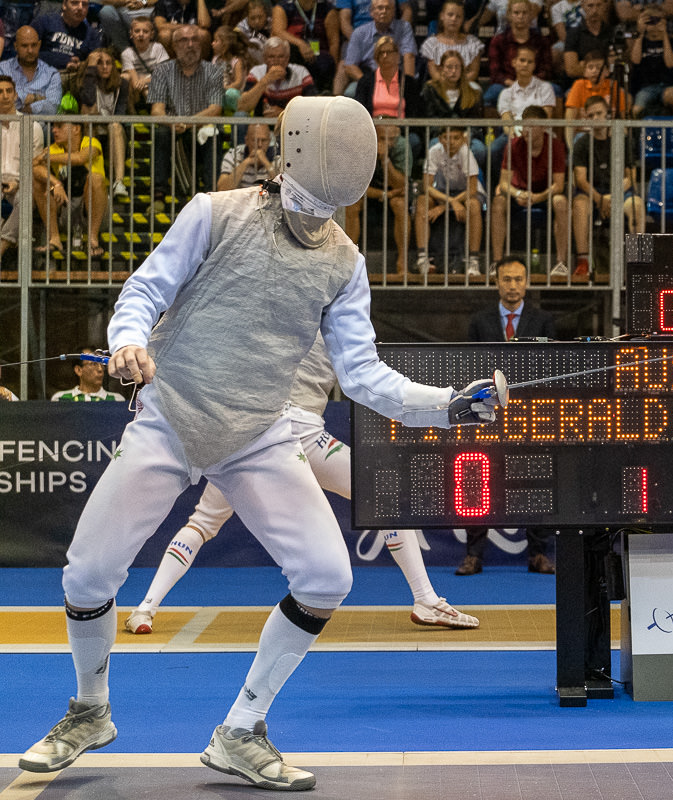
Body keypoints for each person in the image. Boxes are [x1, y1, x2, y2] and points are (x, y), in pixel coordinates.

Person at [16, 95, 500, 790]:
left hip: (259, 432)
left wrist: (447, 406)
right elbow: (144, 292)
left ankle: (241, 729)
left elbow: (363, 376)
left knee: (328, 577)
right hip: (170, 417)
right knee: (87, 574)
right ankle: (89, 711)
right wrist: (126, 343)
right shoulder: (216, 213)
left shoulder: (344, 260)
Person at [124, 336, 480, 635]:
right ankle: (426, 600)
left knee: (202, 523)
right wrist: (445, 400)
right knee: (379, 496)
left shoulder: (276, 311)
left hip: (249, 436)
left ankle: (145, 608)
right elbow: (372, 381)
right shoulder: (335, 316)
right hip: (299, 432)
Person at [458, 253, 556, 576]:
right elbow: (469, 369)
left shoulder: (544, 322)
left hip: (530, 415)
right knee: (476, 483)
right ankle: (474, 555)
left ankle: (538, 554)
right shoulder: (478, 321)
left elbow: (550, 370)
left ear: (527, 283)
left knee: (536, 482)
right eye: (506, 279)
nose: (512, 286)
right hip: (487, 415)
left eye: (518, 279)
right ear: (496, 282)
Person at [570, 95, 644, 279]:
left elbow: (631, 177)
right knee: (579, 205)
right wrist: (600, 199)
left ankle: (639, 263)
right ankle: (583, 262)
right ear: (586, 118)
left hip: (619, 192)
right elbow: (580, 179)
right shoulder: (582, 143)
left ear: (608, 114)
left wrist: (612, 197)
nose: (596, 118)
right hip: (592, 193)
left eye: (599, 113)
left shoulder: (622, 139)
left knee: (637, 206)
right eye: (591, 115)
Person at [148, 24, 225, 202]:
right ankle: (158, 194)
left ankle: (210, 195)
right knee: (160, 132)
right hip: (173, 129)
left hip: (200, 127)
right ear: (174, 46)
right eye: (184, 40)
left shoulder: (213, 71)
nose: (190, 45)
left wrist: (188, 123)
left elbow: (215, 109)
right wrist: (173, 123)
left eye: (195, 40)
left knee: (213, 134)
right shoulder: (161, 71)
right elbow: (156, 111)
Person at [490, 105, 570, 276]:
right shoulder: (513, 145)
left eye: (532, 126)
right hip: (519, 193)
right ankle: (497, 263)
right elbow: (503, 183)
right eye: (525, 125)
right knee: (498, 203)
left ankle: (561, 264)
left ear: (543, 127)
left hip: (546, 193)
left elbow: (559, 185)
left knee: (561, 201)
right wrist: (518, 194)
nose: (527, 130)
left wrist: (537, 197)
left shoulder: (555, 146)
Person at [413, 125, 485, 276]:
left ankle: (473, 261)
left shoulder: (466, 153)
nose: (451, 142)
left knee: (473, 205)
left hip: (465, 193)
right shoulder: (434, 151)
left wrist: (444, 206)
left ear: (463, 140)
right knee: (422, 201)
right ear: (440, 139)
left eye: (456, 138)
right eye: (447, 137)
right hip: (443, 193)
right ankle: (422, 258)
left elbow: (472, 188)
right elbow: (427, 186)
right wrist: (450, 202)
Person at [31, 119, 109, 260]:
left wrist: (47, 157)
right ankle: (54, 238)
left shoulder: (91, 143)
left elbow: (80, 158)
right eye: (54, 126)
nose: (54, 130)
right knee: (41, 183)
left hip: (96, 211)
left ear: (76, 129)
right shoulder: (55, 148)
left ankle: (92, 240)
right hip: (66, 207)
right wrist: (56, 183)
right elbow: (34, 166)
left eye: (59, 126)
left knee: (96, 179)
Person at [344, 121, 411, 272]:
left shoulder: (401, 146)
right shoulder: (361, 146)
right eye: (382, 139)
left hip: (394, 194)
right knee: (351, 204)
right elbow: (356, 185)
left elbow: (401, 184)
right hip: (369, 193)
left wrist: (385, 160)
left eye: (392, 139)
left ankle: (402, 261)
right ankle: (349, 262)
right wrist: (384, 194)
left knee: (400, 204)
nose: (388, 143)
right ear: (373, 135)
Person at [490, 45, 557, 185]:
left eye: (530, 61)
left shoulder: (545, 88)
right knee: (494, 149)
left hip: (540, 132)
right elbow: (507, 121)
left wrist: (531, 133)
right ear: (514, 62)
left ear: (534, 65)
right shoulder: (506, 94)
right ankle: (501, 188)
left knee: (554, 146)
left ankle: (548, 187)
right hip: (515, 134)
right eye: (522, 60)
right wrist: (517, 135)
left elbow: (546, 116)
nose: (525, 64)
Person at [74, 48, 130, 203]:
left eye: (108, 63)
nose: (105, 67)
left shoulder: (121, 84)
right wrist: (90, 70)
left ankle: (118, 182)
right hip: (90, 130)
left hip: (113, 133)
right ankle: (94, 179)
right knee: (88, 112)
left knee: (115, 126)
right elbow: (89, 100)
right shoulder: (83, 82)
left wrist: (102, 119)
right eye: (99, 63)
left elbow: (120, 114)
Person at [334, 0, 417, 98]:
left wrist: (408, 85)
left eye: (388, 8)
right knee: (350, 88)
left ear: (394, 12)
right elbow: (350, 66)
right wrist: (371, 84)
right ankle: (334, 102)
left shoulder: (404, 27)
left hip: (395, 76)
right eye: (380, 8)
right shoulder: (359, 33)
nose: (384, 11)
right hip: (368, 76)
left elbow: (409, 57)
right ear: (371, 12)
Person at [418, 50, 486, 168]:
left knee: (479, 149)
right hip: (440, 136)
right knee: (434, 146)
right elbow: (429, 119)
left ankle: (471, 181)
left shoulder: (474, 93)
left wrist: (465, 136)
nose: (453, 71)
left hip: (465, 136)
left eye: (457, 67)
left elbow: (476, 123)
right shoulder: (430, 90)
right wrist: (447, 136)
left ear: (462, 70)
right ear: (441, 68)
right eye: (449, 67)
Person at [485, 0, 554, 110]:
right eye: (516, 13)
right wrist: (512, 84)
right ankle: (492, 127)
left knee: (556, 90)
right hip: (506, 84)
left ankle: (553, 127)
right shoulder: (498, 41)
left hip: (535, 83)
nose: (520, 16)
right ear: (509, 15)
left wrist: (529, 83)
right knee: (492, 93)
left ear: (531, 15)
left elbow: (546, 69)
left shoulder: (541, 41)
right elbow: (495, 72)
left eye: (524, 13)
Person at [0, 75, 44, 224]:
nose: (5, 96)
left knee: (25, 198)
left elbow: (35, 166)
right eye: (0, 92)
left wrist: (17, 183)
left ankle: (3, 244)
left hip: (21, 185)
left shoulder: (32, 127)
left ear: (15, 95)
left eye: (9, 91)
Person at [270, 0, 340, 93]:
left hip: (319, 55)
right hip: (293, 54)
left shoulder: (327, 9)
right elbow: (277, 32)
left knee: (326, 62)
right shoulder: (284, 7)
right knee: (290, 52)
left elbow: (333, 42)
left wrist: (334, 69)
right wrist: (301, 44)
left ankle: (321, 94)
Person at [628, 3, 673, 117]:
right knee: (637, 109)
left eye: (657, 20)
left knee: (671, 95)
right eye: (650, 20)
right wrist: (641, 32)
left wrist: (664, 33)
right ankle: (639, 134)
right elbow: (635, 60)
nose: (654, 24)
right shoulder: (640, 41)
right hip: (646, 86)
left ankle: (672, 129)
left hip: (667, 84)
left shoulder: (671, 42)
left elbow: (670, 63)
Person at [238, 36, 317, 117]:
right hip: (262, 124)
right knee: (240, 115)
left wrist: (283, 113)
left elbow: (313, 107)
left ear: (287, 59)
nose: (276, 61)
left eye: (281, 56)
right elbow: (242, 106)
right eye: (271, 57)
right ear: (264, 59)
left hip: (291, 123)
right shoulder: (256, 72)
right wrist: (265, 81)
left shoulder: (301, 73)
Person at [564, 50, 630, 138]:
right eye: (590, 67)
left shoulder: (613, 86)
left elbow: (622, 119)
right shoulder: (578, 85)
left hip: (607, 135)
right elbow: (569, 120)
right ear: (584, 72)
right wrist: (571, 149)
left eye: (599, 68)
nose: (594, 71)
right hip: (584, 134)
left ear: (607, 71)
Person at [0, 26, 63, 115]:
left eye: (34, 45)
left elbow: (53, 108)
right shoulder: (2, 69)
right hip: (7, 127)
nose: (30, 50)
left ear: (39, 44)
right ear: (15, 46)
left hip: (40, 128)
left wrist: (25, 107)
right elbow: (2, 104)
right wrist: (37, 98)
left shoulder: (52, 74)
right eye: (24, 46)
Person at [419, 0, 485, 85]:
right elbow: (434, 73)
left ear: (463, 19)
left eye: (458, 16)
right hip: (441, 85)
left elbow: (473, 73)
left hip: (465, 86)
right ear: (442, 16)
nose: (454, 19)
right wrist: (448, 85)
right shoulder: (431, 43)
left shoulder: (473, 43)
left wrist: (457, 85)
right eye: (450, 15)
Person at [31, 0, 101, 77]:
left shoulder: (91, 34)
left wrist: (81, 64)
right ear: (64, 5)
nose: (80, 8)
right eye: (75, 3)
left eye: (84, 4)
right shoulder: (45, 21)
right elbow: (26, 52)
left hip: (72, 77)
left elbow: (96, 61)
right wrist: (65, 62)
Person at [120, 16, 170, 108]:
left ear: (152, 34)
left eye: (145, 31)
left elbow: (164, 74)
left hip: (155, 83)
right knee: (125, 77)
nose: (141, 34)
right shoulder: (127, 53)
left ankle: (157, 113)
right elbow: (135, 82)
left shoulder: (157, 48)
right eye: (137, 31)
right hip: (137, 87)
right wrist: (143, 83)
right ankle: (132, 115)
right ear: (131, 34)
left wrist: (145, 80)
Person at [562, 0, 617, 80]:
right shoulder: (573, 33)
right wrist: (603, 67)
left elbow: (619, 66)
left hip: (607, 83)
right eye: (590, 6)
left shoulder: (613, 32)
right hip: (581, 84)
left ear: (605, 6)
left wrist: (585, 65)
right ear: (582, 6)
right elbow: (571, 70)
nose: (595, 10)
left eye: (599, 5)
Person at [217, 122, 278, 190]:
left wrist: (266, 163)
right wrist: (246, 162)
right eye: (255, 140)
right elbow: (222, 189)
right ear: (247, 140)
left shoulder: (277, 156)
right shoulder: (233, 154)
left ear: (269, 141)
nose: (260, 145)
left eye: (264, 140)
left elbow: (282, 188)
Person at [50, 348, 125, 402]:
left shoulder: (117, 400)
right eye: (94, 364)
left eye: (102, 365)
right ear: (78, 370)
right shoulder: (60, 399)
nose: (100, 369)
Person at [211, 25, 249, 114]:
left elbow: (238, 82)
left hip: (232, 93)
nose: (212, 43)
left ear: (225, 45)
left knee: (231, 93)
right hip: (219, 93)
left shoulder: (236, 61)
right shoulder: (215, 59)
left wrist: (225, 88)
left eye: (216, 41)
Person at [236, 0, 272, 65]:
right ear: (247, 17)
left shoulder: (272, 23)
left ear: (266, 15)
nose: (257, 22)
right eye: (252, 18)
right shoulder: (241, 26)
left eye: (260, 17)